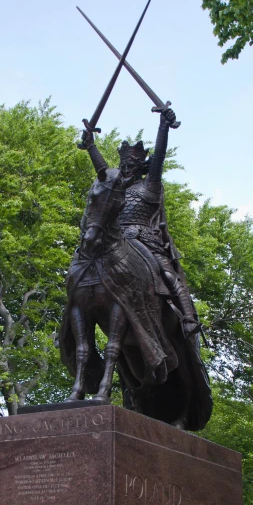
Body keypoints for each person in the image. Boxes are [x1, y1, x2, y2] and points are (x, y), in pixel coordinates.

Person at [80, 107, 201, 339]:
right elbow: (103, 173)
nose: (127, 168)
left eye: (132, 164)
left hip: (144, 239)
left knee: (166, 273)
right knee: (82, 265)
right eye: (124, 164)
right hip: (114, 239)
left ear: (141, 166)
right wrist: (90, 146)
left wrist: (163, 126)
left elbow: (160, 156)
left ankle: (188, 318)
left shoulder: (150, 184)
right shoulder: (115, 188)